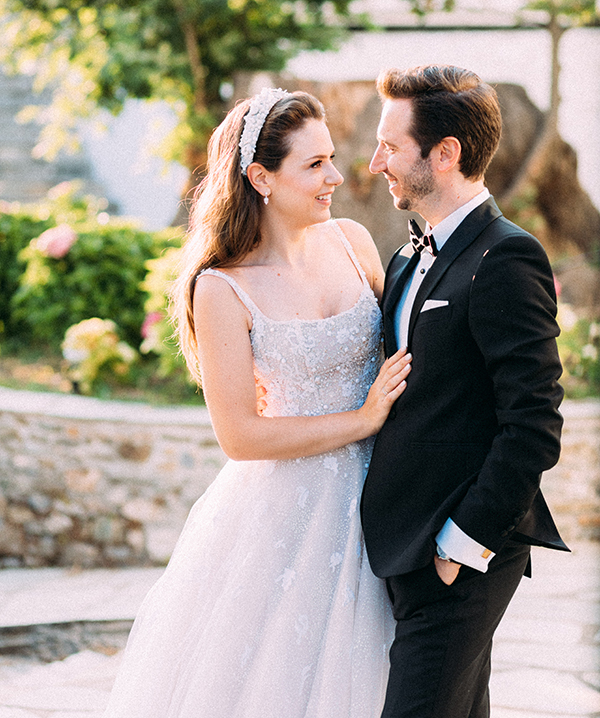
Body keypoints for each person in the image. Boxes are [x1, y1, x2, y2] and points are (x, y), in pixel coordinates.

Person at [103, 88, 412, 718]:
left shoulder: (353, 242)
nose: (336, 177)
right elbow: (240, 437)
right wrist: (361, 420)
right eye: (314, 165)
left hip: (382, 500)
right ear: (260, 177)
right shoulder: (220, 288)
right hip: (285, 515)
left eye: (331, 158)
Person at [361, 64, 569, 718]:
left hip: (458, 552)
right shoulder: (404, 258)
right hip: (404, 547)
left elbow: (533, 424)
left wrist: (459, 546)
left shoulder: (506, 257)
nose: (374, 162)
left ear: (444, 154)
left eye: (391, 146)